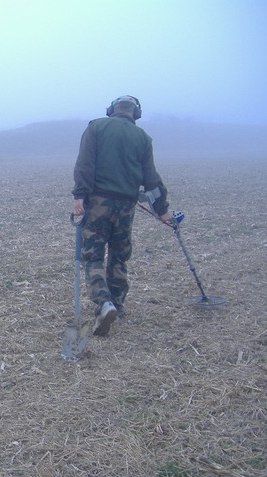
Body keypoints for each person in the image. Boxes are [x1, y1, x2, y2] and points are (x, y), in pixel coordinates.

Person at [72, 95, 170, 337]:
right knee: (119, 255)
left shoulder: (96, 127)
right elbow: (151, 179)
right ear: (135, 113)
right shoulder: (143, 138)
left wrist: (79, 196)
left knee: (93, 256)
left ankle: (104, 304)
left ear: (112, 110)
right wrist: (162, 209)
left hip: (97, 203)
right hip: (126, 206)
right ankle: (118, 304)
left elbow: (85, 164)